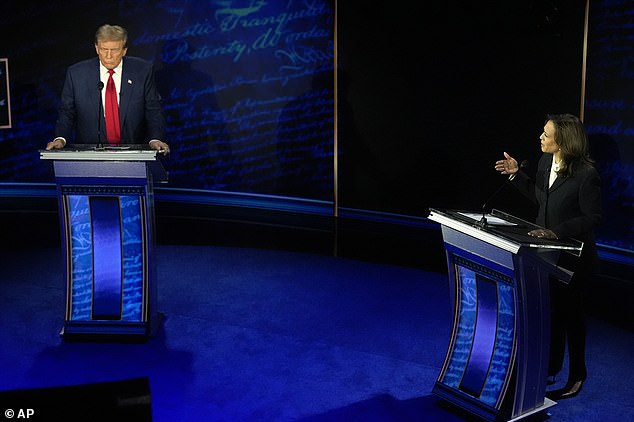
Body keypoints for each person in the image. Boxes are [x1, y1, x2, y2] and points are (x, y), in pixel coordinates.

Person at [494, 113, 601, 400]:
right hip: (545, 254)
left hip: (575, 258)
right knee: (552, 314)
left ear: (563, 141)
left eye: (546, 133)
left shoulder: (586, 174)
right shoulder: (544, 162)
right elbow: (541, 198)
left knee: (572, 317)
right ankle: (551, 367)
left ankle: (578, 375)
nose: (540, 137)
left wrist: (557, 231)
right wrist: (516, 175)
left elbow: (592, 217)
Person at [46, 24, 169, 154]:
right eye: (104, 49)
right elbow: (67, 112)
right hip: (89, 154)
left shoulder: (142, 71)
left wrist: (155, 138)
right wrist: (61, 138)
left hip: (133, 152)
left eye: (114, 50)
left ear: (124, 50)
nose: (108, 56)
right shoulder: (76, 74)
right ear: (96, 48)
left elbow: (153, 109)